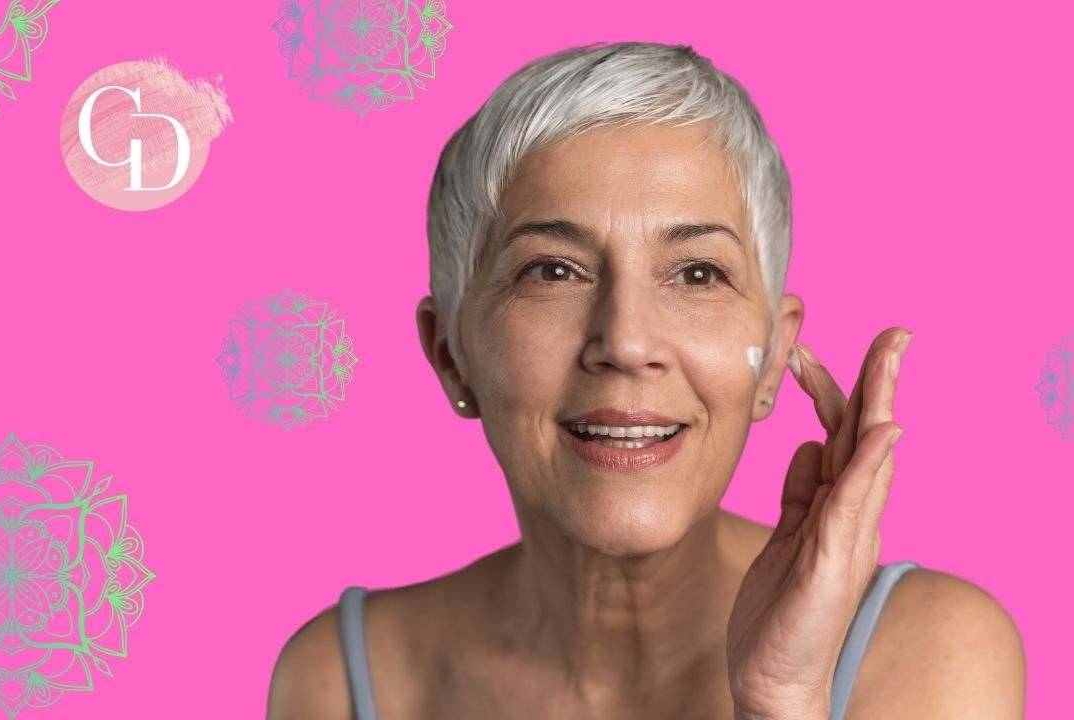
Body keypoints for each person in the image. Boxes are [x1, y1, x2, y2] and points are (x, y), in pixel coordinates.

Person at [267, 41, 1025, 719]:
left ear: (773, 355)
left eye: (697, 274)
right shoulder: (337, 679)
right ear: (450, 353)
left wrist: (781, 702)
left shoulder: (934, 650)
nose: (627, 343)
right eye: (553, 271)